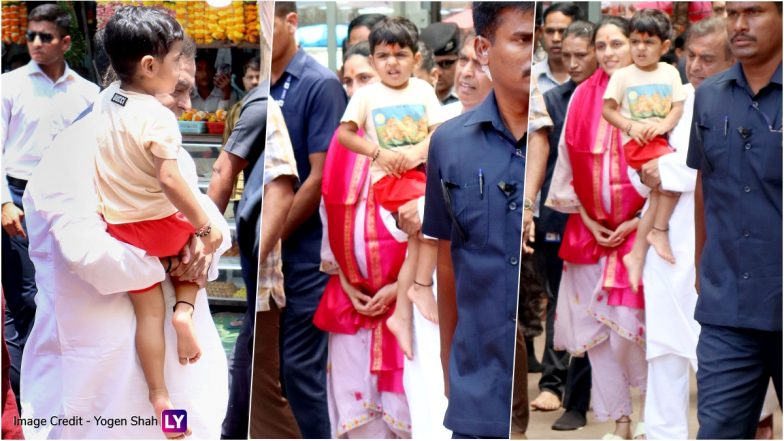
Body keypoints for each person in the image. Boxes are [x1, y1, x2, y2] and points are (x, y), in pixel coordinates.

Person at [19, 30, 230, 439]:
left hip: (176, 370)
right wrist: (173, 257)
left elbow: (207, 218)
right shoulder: (76, 148)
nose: (187, 103)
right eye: (179, 88)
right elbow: (89, 256)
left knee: (180, 422)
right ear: (142, 76)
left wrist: (206, 237)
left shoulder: (155, 141)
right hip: (102, 380)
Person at [94, 9, 224, 429]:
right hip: (159, 226)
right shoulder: (156, 116)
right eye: (175, 59)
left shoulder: (108, 100)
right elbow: (169, 178)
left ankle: (159, 394)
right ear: (150, 66)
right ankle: (184, 309)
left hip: (121, 229)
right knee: (201, 242)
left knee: (148, 314)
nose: (179, 71)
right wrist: (204, 225)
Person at [423, 2, 532, 437]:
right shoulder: (449, 144)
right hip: (477, 375)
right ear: (487, 47)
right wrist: (449, 359)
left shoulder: (560, 130)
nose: (534, 53)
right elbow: (447, 259)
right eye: (523, 39)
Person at [546, 15, 648, 440]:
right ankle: (620, 422)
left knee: (636, 334)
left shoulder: (652, 91)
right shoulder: (581, 97)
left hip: (641, 234)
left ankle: (651, 415)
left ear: (635, 46)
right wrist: (588, 218)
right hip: (590, 234)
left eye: (615, 44)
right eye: (601, 46)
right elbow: (567, 169)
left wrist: (638, 223)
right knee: (601, 339)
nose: (607, 53)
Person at [686, 2, 782, 438]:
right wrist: (700, 264)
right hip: (728, 308)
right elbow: (706, 184)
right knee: (719, 430)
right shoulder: (709, 95)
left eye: (755, 12)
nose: (739, 26)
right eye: (732, 13)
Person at [636, 16, 734, 440]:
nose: (694, 66)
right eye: (690, 56)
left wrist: (663, 168)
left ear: (732, 60)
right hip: (664, 240)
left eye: (706, 58)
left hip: (710, 245)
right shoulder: (679, 97)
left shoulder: (735, 101)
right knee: (662, 348)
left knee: (715, 352)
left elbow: (713, 163)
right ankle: (662, 432)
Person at [314, 41, 413, 439]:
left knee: (405, 416)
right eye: (348, 81)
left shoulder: (414, 138)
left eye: (365, 79)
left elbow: (430, 230)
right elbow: (328, 219)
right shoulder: (340, 145)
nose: (356, 90)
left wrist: (399, 286)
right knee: (355, 418)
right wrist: (341, 280)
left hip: (403, 302)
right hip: (352, 299)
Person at [1, 4, 98, 408]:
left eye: (45, 36)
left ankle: (68, 399)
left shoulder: (87, 93)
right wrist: (4, 202)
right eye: (31, 36)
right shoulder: (8, 86)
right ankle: (29, 407)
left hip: (69, 201)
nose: (36, 44)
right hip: (18, 198)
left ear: (66, 42)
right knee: (24, 300)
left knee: (68, 298)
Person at [337, 16, 444, 362]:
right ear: (372, 60)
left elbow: (437, 132)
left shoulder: (423, 90)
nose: (392, 63)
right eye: (383, 56)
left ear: (416, 59)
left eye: (400, 55)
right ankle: (421, 289)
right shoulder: (367, 95)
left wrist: (415, 152)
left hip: (418, 173)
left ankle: (400, 314)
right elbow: (346, 134)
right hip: (388, 180)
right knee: (430, 223)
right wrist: (379, 152)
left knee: (418, 237)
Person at [270, 2, 347, 437]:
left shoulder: (318, 84)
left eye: (269, 24)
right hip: (269, 256)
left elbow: (321, 177)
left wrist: (273, 235)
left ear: (291, 22)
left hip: (305, 255)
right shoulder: (263, 83)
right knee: (272, 367)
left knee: (302, 368)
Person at [527, 20, 598, 430]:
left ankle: (583, 391)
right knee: (560, 299)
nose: (571, 62)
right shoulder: (552, 99)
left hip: (605, 219)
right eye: (566, 55)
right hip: (556, 216)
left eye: (580, 54)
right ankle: (555, 385)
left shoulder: (612, 98)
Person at [602, 8, 687, 293]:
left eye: (648, 42)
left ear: (664, 46)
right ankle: (658, 233)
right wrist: (630, 127)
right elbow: (608, 110)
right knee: (671, 184)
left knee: (660, 192)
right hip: (637, 145)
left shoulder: (671, 72)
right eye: (635, 41)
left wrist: (663, 124)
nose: (640, 48)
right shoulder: (623, 76)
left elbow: (677, 108)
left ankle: (638, 250)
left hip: (660, 142)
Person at [207, 81, 268, 441]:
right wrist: (204, 239)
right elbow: (222, 171)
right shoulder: (262, 103)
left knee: (255, 333)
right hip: (263, 238)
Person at [247, 99, 302, 439]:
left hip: (261, 286)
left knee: (262, 393)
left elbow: (282, 191)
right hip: (258, 282)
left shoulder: (265, 108)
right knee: (255, 393)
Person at [532, 3, 583, 94]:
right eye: (550, 31)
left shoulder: (589, 78)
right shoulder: (531, 77)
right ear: (541, 33)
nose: (555, 39)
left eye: (562, 31)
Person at [420, 22, 461, 105]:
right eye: (431, 64)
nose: (438, 72)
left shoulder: (472, 98)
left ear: (460, 60)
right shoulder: (410, 99)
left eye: (446, 63)